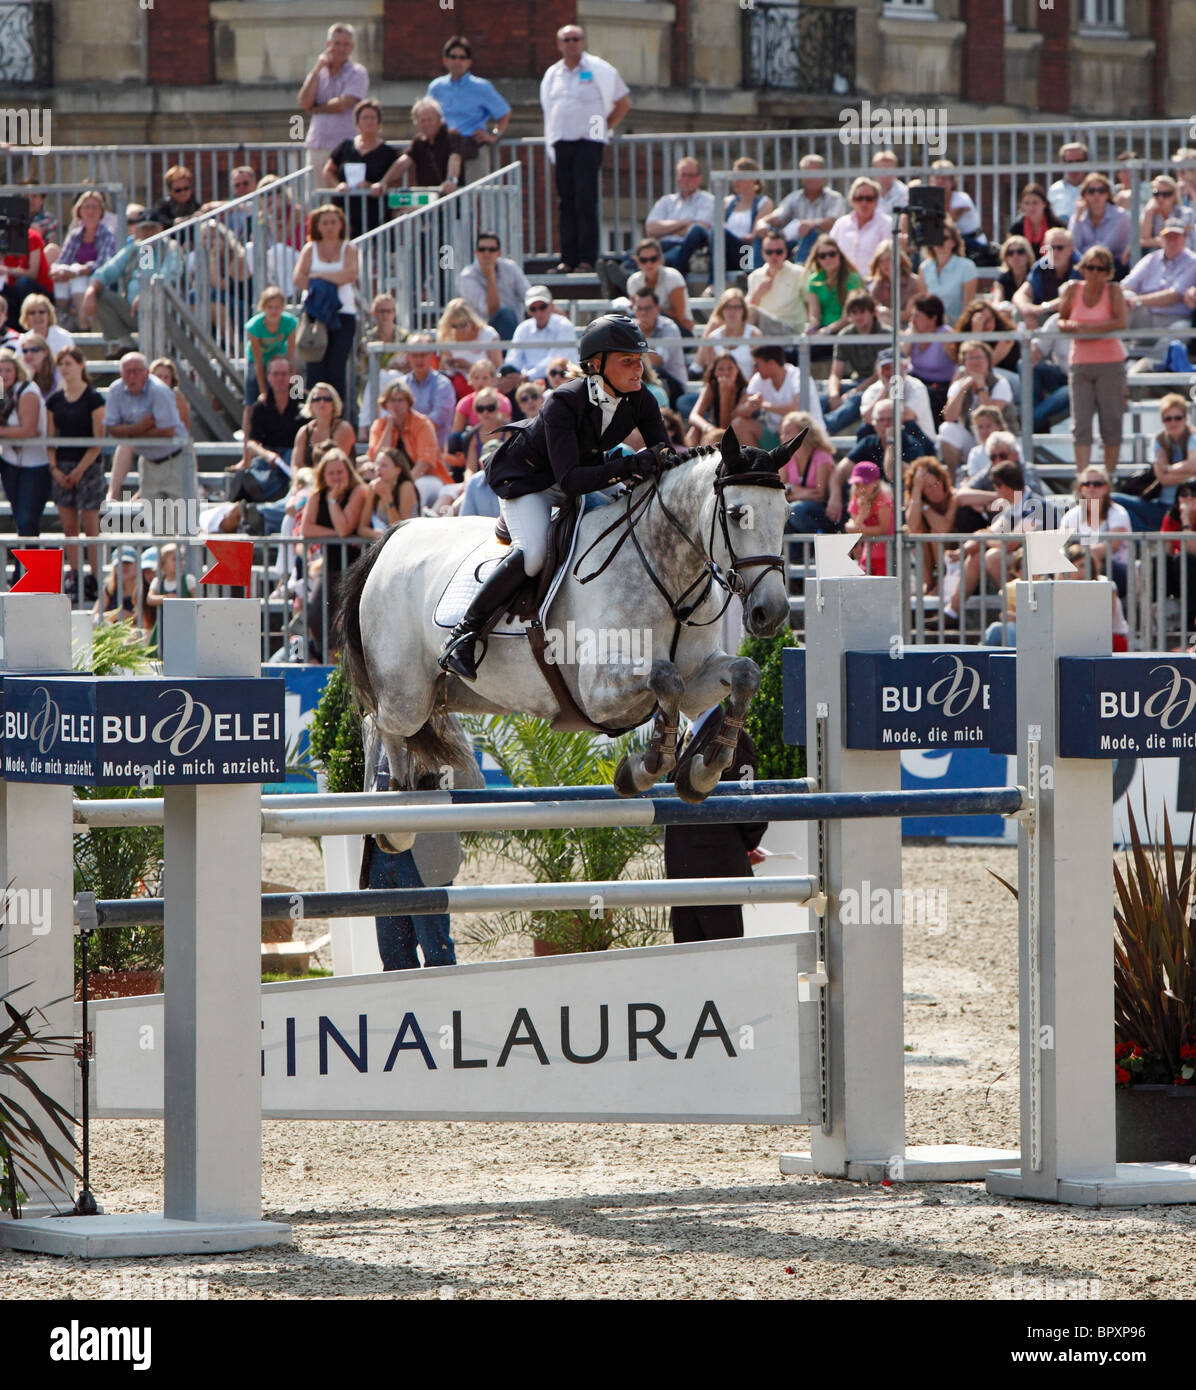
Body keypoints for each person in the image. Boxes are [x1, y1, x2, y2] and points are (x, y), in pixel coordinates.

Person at [440, 314, 668, 681]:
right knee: (534, 557)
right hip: (528, 481)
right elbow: (572, 480)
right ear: (597, 364)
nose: (638, 369)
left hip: (583, 471)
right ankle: (463, 634)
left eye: (639, 360)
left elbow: (663, 452)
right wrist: (629, 467)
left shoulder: (640, 399)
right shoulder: (564, 401)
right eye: (627, 360)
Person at [359, 715, 481, 971]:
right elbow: (370, 781)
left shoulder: (441, 720)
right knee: (392, 956)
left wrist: (432, 758)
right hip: (380, 848)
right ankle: (401, 1010)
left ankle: (440, 1009)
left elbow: (473, 783)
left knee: (436, 953)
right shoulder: (372, 721)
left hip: (426, 848)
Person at [665, 709, 766, 943]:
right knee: (689, 962)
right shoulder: (690, 732)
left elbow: (748, 806)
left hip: (716, 875)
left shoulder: (733, 737)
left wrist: (745, 846)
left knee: (722, 961)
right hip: (684, 877)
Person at [540, 23, 630, 273]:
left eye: (576, 38)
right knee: (566, 201)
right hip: (562, 141)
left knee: (584, 199)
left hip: (589, 141)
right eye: (566, 39)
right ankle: (568, 259)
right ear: (559, 44)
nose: (571, 43)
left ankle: (587, 259)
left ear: (583, 42)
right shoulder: (552, 74)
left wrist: (603, 128)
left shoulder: (599, 69)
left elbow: (622, 103)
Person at [1059, 246, 1127, 475]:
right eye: (1089, 267)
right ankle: (1084, 478)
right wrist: (1070, 327)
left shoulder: (1114, 291)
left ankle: (1107, 479)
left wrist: (1086, 329)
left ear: (1108, 271)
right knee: (1081, 425)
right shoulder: (1071, 290)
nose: (1094, 272)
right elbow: (1061, 320)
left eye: (1100, 268)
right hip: (1079, 363)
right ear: (1082, 268)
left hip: (1110, 363)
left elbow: (1120, 322)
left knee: (1111, 423)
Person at [46, 346, 105, 598]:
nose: (64, 369)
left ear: (81, 365)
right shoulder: (54, 401)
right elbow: (49, 438)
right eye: (61, 364)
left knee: (91, 526)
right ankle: (74, 574)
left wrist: (80, 470)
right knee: (69, 528)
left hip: (88, 466)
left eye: (68, 363)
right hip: (62, 466)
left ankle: (95, 576)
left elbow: (98, 439)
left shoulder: (94, 398)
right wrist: (55, 468)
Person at [82, 207, 178, 356]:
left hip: (162, 311)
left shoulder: (170, 247)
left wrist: (148, 293)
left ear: (161, 229)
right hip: (133, 312)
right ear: (137, 232)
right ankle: (126, 345)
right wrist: (91, 290)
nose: (148, 232)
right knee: (101, 296)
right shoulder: (136, 249)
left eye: (152, 228)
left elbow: (169, 274)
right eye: (144, 228)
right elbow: (107, 271)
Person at [293, 203, 358, 411]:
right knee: (315, 368)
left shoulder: (349, 248)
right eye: (325, 223)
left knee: (337, 369)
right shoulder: (310, 249)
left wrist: (319, 277)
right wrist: (330, 280)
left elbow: (349, 275)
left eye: (333, 222)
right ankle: (313, 417)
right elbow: (298, 278)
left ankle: (337, 418)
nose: (329, 227)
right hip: (315, 317)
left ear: (341, 224)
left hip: (343, 315)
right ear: (317, 226)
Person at [103, 351, 187, 504]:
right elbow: (113, 430)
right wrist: (141, 427)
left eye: (136, 371)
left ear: (146, 373)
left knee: (180, 520)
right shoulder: (115, 390)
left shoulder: (160, 391)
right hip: (148, 461)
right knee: (154, 523)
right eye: (128, 372)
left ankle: (114, 493)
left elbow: (168, 431)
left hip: (175, 459)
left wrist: (129, 432)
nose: (132, 376)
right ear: (121, 374)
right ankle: (112, 494)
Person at [1112, 393, 1196, 532]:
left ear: (1185, 418)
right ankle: (1151, 539)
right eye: (1168, 418)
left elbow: (1191, 465)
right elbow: (1163, 479)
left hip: (1188, 508)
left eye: (1178, 418)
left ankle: (1157, 540)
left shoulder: (1192, 436)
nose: (1091, 488)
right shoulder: (1160, 439)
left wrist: (1168, 468)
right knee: (1110, 500)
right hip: (1162, 506)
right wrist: (1190, 474)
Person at [427, 36, 511, 170]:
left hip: (472, 147)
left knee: (475, 190)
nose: (457, 61)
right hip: (443, 147)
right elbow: (426, 114)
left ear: (469, 62)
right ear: (445, 60)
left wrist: (495, 135)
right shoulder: (436, 87)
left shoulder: (481, 87)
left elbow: (504, 112)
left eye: (462, 57)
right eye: (453, 57)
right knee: (444, 190)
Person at [298, 22, 370, 175]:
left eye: (345, 44)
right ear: (329, 45)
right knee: (316, 196)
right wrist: (317, 68)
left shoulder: (358, 73)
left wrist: (316, 108)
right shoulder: (319, 73)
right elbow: (304, 102)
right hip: (317, 144)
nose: (341, 48)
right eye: (337, 44)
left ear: (352, 47)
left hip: (345, 146)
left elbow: (343, 104)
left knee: (343, 196)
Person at [323, 98, 399, 239]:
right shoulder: (345, 146)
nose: (369, 121)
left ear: (379, 122)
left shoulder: (388, 152)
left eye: (372, 118)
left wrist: (374, 186)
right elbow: (328, 171)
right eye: (365, 118)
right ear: (357, 122)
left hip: (377, 215)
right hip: (346, 213)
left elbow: (397, 181)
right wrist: (338, 185)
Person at [937, 341, 1017, 473]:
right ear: (964, 363)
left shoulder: (1000, 383)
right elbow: (949, 416)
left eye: (979, 357)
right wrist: (964, 387)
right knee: (947, 429)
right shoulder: (959, 385)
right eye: (971, 358)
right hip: (974, 438)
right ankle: (952, 478)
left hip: (999, 442)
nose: (975, 362)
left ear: (988, 361)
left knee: (988, 428)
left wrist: (981, 387)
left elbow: (989, 417)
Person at [366, 381, 447, 508]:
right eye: (392, 400)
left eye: (400, 400)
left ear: (408, 402)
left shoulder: (422, 423)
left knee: (413, 489)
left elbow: (424, 463)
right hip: (389, 478)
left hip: (426, 478)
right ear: (385, 404)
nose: (396, 405)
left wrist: (405, 484)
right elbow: (376, 458)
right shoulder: (379, 425)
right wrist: (389, 426)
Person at [756, 154, 845, 264]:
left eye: (815, 173)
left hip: (823, 247)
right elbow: (777, 216)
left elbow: (833, 221)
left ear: (824, 175)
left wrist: (811, 224)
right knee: (765, 235)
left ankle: (800, 271)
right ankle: (753, 272)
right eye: (806, 173)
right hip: (793, 243)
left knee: (810, 232)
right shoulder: (794, 197)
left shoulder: (834, 198)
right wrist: (762, 223)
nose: (811, 177)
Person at [0, 348, 50, 540]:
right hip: (9, 461)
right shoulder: (1, 393)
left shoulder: (28, 391)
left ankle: (33, 568)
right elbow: (22, 432)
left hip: (34, 465)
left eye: (8, 370)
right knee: (20, 519)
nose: (3, 375)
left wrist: (7, 433)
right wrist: (15, 433)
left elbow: (28, 430)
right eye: (0, 371)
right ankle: (23, 568)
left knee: (28, 520)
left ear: (17, 371)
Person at [1059, 466, 1131, 599]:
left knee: (1096, 567)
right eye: (1086, 484)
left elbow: (1111, 546)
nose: (1091, 487)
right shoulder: (1071, 515)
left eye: (1097, 484)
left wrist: (1078, 557)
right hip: (1076, 565)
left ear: (1106, 488)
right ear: (1080, 488)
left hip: (1115, 569)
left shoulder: (1118, 513)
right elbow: (1061, 545)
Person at [50, 190, 117, 330]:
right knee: (63, 273)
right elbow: (63, 259)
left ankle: (83, 324)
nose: (90, 211)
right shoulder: (75, 235)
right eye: (86, 207)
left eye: (95, 207)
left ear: (101, 211)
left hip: (96, 280)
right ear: (79, 211)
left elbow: (104, 264)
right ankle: (63, 319)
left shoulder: (107, 234)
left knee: (76, 275)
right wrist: (58, 270)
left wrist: (79, 270)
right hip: (75, 280)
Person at [1121, 220, 1196, 344]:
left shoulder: (1192, 261)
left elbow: (1174, 295)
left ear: (1184, 239)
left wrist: (1138, 301)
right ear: (1161, 239)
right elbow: (1126, 285)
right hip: (1147, 317)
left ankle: (1153, 361)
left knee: (1180, 331)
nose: (1172, 241)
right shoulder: (1151, 259)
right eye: (1168, 236)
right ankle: (1112, 348)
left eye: (1176, 236)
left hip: (1175, 319)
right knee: (1124, 296)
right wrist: (1129, 299)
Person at [821, 290, 883, 435]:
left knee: (856, 400)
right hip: (858, 383)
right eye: (854, 312)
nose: (858, 316)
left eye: (862, 311)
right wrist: (834, 394)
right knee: (822, 399)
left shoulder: (886, 334)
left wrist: (855, 391)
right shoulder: (845, 335)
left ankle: (821, 431)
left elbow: (880, 375)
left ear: (872, 312)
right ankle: (810, 427)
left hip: (879, 386)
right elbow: (836, 373)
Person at [643, 157, 717, 277]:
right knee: (632, 257)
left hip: (686, 248)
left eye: (691, 175)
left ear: (699, 178)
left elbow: (699, 230)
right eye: (683, 175)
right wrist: (684, 222)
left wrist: (663, 230)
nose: (686, 179)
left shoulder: (708, 200)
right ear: (677, 178)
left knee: (657, 260)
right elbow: (650, 229)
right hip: (660, 245)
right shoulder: (666, 201)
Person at [377, 97, 464, 200]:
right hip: (429, 198)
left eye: (430, 119)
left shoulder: (452, 135)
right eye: (422, 120)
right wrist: (383, 182)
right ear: (416, 123)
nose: (427, 124)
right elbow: (403, 162)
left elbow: (455, 158)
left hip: (451, 199)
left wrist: (451, 180)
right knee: (400, 202)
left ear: (439, 119)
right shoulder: (419, 141)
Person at [745, 344, 826, 445]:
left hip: (808, 438)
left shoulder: (798, 376)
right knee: (739, 424)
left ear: (771, 363)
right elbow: (741, 409)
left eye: (756, 365)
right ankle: (757, 460)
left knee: (792, 428)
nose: (754, 369)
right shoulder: (758, 378)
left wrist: (763, 405)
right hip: (781, 437)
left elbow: (797, 408)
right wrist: (749, 405)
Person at [459, 231, 528, 341]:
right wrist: (490, 276)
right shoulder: (467, 276)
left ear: (499, 252)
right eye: (482, 249)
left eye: (492, 250)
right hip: (483, 332)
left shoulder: (510, 267)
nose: (487, 253)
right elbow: (492, 310)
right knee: (505, 314)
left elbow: (528, 296)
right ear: (476, 252)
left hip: (515, 328)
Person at [904, 454, 959, 593]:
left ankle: (942, 580)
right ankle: (927, 581)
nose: (934, 490)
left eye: (936, 484)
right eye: (926, 487)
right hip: (929, 554)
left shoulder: (953, 496)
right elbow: (913, 526)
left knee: (936, 532)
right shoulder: (915, 499)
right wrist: (916, 492)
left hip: (954, 548)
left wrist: (925, 508)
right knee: (915, 532)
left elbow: (943, 528)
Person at [243, 285, 298, 424]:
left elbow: (291, 356)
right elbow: (258, 361)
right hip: (258, 361)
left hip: (280, 359)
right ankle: (247, 434)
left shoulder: (290, 322)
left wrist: (294, 385)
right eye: (270, 307)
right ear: (263, 307)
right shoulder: (254, 326)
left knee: (292, 392)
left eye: (277, 307)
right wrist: (263, 392)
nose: (274, 311)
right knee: (252, 398)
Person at [244, 355, 304, 475]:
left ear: (291, 376)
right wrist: (266, 455)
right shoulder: (260, 406)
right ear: (268, 377)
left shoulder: (303, 403)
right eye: (276, 374)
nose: (280, 378)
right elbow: (251, 443)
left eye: (284, 374)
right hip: (269, 458)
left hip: (296, 457)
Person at [686, 352, 761, 448]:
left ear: (737, 370)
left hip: (737, 432)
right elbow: (694, 416)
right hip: (715, 428)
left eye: (730, 368)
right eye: (721, 369)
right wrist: (708, 428)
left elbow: (725, 427)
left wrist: (725, 395)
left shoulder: (745, 390)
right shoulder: (711, 387)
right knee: (694, 430)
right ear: (715, 373)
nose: (726, 373)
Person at [504, 287, 578, 383]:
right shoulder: (523, 328)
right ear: (528, 311)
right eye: (533, 308)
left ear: (551, 305)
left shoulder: (564, 326)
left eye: (542, 307)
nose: (539, 312)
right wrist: (510, 375)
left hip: (558, 379)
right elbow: (513, 359)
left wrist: (526, 377)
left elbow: (555, 362)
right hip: (527, 381)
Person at [780, 411, 835, 534]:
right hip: (795, 511)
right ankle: (795, 553)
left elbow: (820, 495)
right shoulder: (786, 458)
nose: (783, 437)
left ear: (803, 434)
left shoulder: (822, 456)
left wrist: (792, 491)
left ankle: (816, 548)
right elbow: (780, 493)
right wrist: (795, 492)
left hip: (820, 513)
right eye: (782, 433)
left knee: (795, 510)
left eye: (788, 433)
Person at [1013, 228, 1080, 328]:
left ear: (1071, 249)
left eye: (1060, 248)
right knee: (1018, 313)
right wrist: (1027, 311)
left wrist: (1042, 308)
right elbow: (1020, 294)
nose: (1055, 252)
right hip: (1045, 317)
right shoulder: (1040, 267)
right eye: (1051, 248)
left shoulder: (1083, 267)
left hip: (1072, 319)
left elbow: (1073, 298)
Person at [717, 157, 773, 275]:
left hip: (747, 253)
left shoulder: (764, 203)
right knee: (716, 233)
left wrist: (733, 238)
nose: (735, 181)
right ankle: (712, 282)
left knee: (721, 234)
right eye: (733, 177)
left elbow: (754, 235)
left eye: (739, 177)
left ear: (753, 179)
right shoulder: (727, 202)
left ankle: (748, 274)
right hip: (727, 253)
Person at [1068, 173, 1132, 276]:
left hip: (1113, 266)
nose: (1096, 195)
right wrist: (1077, 219)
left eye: (1101, 191)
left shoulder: (1121, 216)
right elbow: (1073, 246)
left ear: (1107, 194)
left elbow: (1107, 247)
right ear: (1084, 195)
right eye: (1091, 191)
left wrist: (1085, 250)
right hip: (1085, 264)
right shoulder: (1077, 217)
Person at [401, 335, 457, 450]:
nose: (419, 359)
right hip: (405, 451)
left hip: (435, 452)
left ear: (431, 355)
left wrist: (408, 429)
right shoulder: (401, 384)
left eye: (423, 354)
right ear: (407, 356)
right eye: (414, 355)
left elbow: (437, 420)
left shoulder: (443, 385)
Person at [631, 289, 686, 406]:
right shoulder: (630, 327)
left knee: (656, 371)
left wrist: (640, 336)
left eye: (648, 308)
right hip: (645, 380)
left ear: (657, 309)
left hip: (673, 385)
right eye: (639, 309)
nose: (643, 313)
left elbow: (657, 361)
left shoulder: (669, 328)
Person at [291, 383, 358, 478]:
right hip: (308, 483)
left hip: (338, 481)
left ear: (334, 404)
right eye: (317, 399)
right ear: (310, 404)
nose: (322, 402)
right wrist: (299, 481)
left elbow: (338, 465)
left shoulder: (343, 428)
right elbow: (296, 465)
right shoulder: (304, 431)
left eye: (327, 399)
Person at [907, 294, 957, 422]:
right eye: (912, 316)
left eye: (917, 316)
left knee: (925, 396)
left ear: (932, 318)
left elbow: (959, 364)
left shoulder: (946, 335)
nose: (912, 320)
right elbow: (902, 355)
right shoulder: (912, 332)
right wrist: (911, 337)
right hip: (916, 381)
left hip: (940, 388)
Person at [746, 231, 807, 335]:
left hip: (792, 332)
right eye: (769, 252)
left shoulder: (799, 273)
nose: (774, 256)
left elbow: (810, 303)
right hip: (762, 333)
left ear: (785, 252)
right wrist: (758, 294)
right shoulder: (755, 276)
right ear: (762, 253)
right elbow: (746, 313)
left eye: (778, 252)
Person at [918, 218, 978, 324]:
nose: (940, 243)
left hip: (956, 327)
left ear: (954, 242)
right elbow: (923, 306)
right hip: (930, 327)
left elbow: (967, 309)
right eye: (936, 238)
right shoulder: (924, 268)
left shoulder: (967, 267)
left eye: (945, 238)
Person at [828, 178, 892, 277]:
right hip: (845, 282)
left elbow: (889, 257)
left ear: (876, 201)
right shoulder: (841, 224)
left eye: (869, 198)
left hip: (874, 282)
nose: (864, 203)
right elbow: (830, 251)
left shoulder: (886, 223)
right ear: (852, 200)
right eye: (859, 198)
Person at [928, 159, 990, 260]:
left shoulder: (962, 199)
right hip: (949, 243)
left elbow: (947, 223)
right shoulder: (931, 201)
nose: (939, 182)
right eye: (936, 178)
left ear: (952, 182)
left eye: (944, 179)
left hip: (973, 244)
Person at [625, 238, 693, 331]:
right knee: (630, 320)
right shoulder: (633, 281)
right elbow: (636, 312)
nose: (648, 263)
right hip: (647, 329)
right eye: (643, 260)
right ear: (637, 261)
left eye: (653, 259)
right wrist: (650, 314)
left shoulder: (673, 277)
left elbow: (679, 316)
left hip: (678, 328)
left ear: (660, 259)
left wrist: (650, 314)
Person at [802, 236, 864, 336]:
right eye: (822, 256)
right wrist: (813, 328)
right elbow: (814, 314)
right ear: (817, 259)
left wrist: (827, 330)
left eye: (832, 254)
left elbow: (848, 316)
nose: (828, 259)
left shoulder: (852, 278)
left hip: (848, 331)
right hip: (823, 330)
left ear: (839, 255)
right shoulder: (813, 280)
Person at [694, 288, 760, 378]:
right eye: (728, 307)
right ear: (721, 310)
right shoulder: (712, 338)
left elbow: (758, 372)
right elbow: (712, 375)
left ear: (743, 310)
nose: (732, 311)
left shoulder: (754, 335)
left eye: (737, 307)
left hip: (749, 389)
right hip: (721, 389)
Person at [436, 297, 502, 388]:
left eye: (463, 324)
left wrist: (469, 367)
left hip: (486, 387)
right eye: (454, 326)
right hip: (456, 387)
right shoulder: (447, 338)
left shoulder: (487, 334)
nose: (459, 330)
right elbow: (443, 371)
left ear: (471, 320)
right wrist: (449, 363)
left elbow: (497, 367)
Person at [844, 460, 893, 576]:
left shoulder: (882, 499)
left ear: (876, 483)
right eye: (857, 484)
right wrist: (862, 516)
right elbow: (854, 529)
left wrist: (856, 529)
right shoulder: (855, 500)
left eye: (865, 484)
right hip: (866, 555)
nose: (861, 489)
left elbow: (882, 530)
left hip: (885, 555)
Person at [358, 446, 419, 534]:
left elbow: (402, 530)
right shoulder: (373, 487)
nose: (378, 468)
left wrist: (387, 498)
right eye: (376, 464)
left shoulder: (406, 486)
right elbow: (362, 528)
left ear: (397, 470)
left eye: (384, 465)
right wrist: (378, 537)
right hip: (388, 541)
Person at [867, 239, 922, 328]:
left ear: (899, 259)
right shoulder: (877, 285)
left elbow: (909, 314)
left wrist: (886, 312)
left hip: (909, 328)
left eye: (888, 259)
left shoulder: (914, 282)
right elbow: (872, 311)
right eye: (881, 261)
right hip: (884, 327)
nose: (885, 264)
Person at [97, 546, 152, 632]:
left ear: (137, 565)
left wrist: (129, 617)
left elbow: (149, 621)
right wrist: (116, 614)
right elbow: (94, 617)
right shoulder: (108, 589)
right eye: (119, 563)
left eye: (127, 562)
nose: (123, 567)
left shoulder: (144, 589)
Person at [1138, 175, 1196, 253]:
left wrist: (1155, 241)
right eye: (1156, 194)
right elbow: (1142, 241)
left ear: (1175, 195)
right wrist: (1148, 212)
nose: (1160, 198)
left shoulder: (1186, 213)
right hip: (1159, 259)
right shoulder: (1150, 212)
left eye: (1166, 194)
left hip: (1185, 256)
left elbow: (1175, 239)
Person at [1007, 182, 1062, 258]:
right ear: (1022, 206)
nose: (1031, 207)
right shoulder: (1016, 228)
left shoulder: (1056, 226)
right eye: (1027, 203)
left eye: (1035, 203)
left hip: (1051, 266)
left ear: (1044, 204)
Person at [1048, 142, 1091, 223]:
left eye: (1078, 161)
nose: (1074, 166)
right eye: (1069, 162)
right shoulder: (1054, 189)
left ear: (1086, 162)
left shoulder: (1096, 188)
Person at [992, 235, 1035, 312]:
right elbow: (996, 302)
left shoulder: (1036, 275)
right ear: (1005, 257)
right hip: (1008, 317)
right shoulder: (1001, 279)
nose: (1015, 256)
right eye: (1010, 253)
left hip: (1031, 314)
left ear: (1028, 255)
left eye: (1020, 252)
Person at [149, 165, 200, 230]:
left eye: (186, 188)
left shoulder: (195, 205)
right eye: (178, 190)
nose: (183, 193)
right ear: (170, 191)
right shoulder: (162, 206)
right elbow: (162, 223)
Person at [870, 150, 909, 221]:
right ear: (874, 172)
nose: (886, 175)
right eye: (882, 171)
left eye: (889, 171)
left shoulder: (905, 193)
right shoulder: (867, 194)